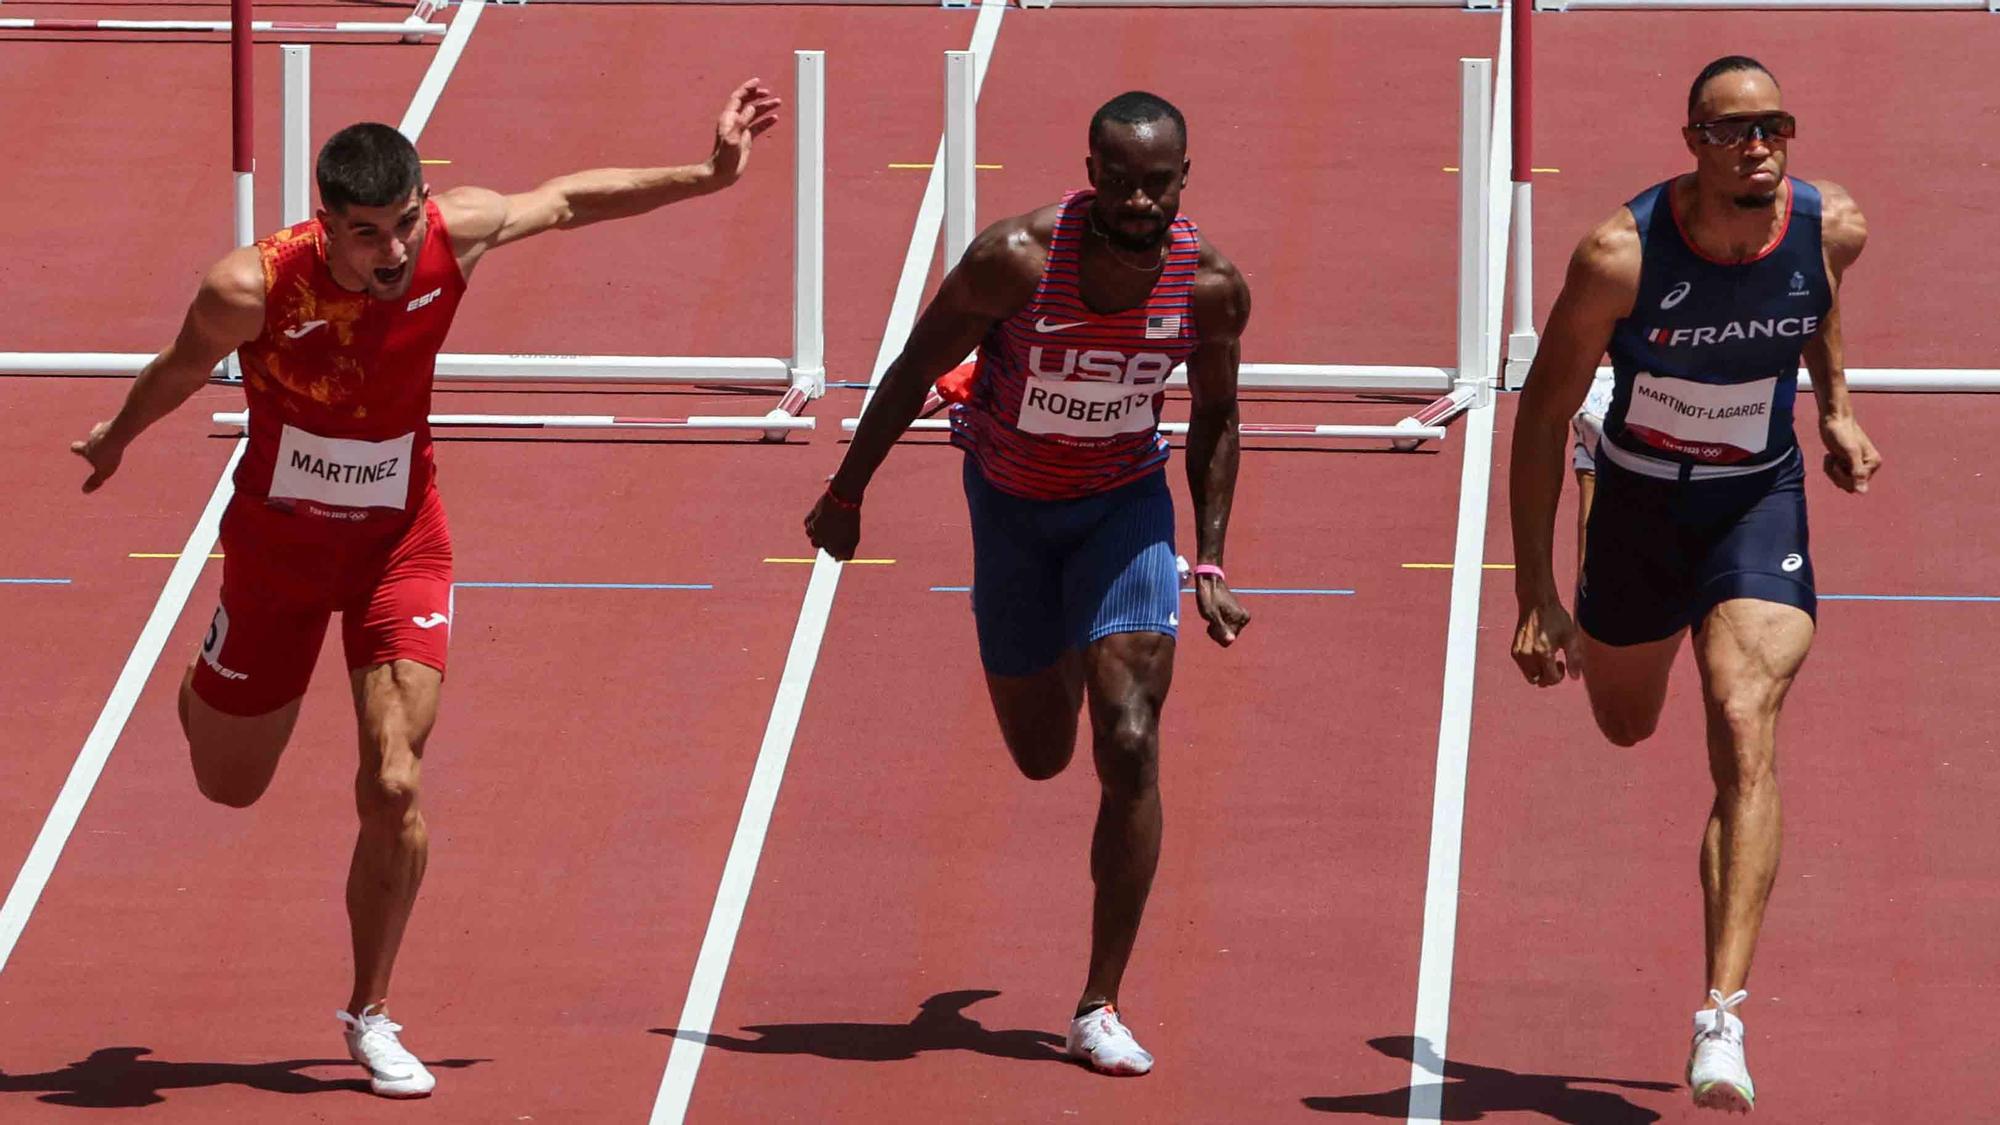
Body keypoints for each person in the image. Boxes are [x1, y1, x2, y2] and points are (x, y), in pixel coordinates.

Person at [70, 79, 781, 1097]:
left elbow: (570, 199)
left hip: (401, 545)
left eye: (403, 225)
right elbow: (182, 367)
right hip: (275, 555)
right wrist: (116, 437)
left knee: (393, 778)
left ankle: (368, 1012)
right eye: (366, 236)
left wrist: (708, 173)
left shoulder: (459, 233)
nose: (392, 253)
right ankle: (203, 687)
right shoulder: (253, 285)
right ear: (326, 225)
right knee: (229, 783)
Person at [804, 90, 1250, 1077]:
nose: (1140, 201)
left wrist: (1207, 556)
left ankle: (1098, 1005)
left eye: (1159, 184)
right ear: (1090, 173)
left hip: (1123, 507)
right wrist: (845, 491)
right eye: (1122, 181)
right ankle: (1059, 634)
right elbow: (917, 361)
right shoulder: (1013, 259)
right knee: (1043, 754)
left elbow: (1216, 416)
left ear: (1184, 180)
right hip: (1007, 507)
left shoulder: (1210, 286)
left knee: (1128, 740)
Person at [1508, 55, 1880, 1113]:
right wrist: (1532, 594)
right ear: (1692, 142)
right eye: (1732, 130)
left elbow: (1812, 304)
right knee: (1624, 725)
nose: (1757, 145)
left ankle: (1720, 1015)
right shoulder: (1618, 256)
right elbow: (1533, 416)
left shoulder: (1829, 224)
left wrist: (1836, 407)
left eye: (1774, 125)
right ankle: (1604, 468)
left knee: (1740, 716)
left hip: (1754, 500)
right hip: (1632, 502)